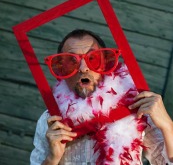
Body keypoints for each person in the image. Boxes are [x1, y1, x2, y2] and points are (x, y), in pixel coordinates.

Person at [30, 29, 173, 165]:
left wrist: (168, 125)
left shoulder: (137, 107)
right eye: (71, 61)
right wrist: (52, 158)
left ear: (105, 63)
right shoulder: (49, 122)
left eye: (93, 58)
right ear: (61, 69)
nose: (83, 68)